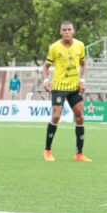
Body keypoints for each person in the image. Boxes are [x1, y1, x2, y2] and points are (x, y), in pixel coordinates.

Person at [41, 21, 92, 162]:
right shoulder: (54, 47)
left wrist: (83, 80)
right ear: (60, 32)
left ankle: (79, 154)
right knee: (56, 116)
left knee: (80, 116)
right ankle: (47, 151)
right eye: (64, 30)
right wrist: (45, 81)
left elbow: (83, 65)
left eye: (69, 29)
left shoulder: (80, 45)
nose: (67, 32)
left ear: (73, 31)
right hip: (59, 87)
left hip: (74, 87)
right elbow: (46, 67)